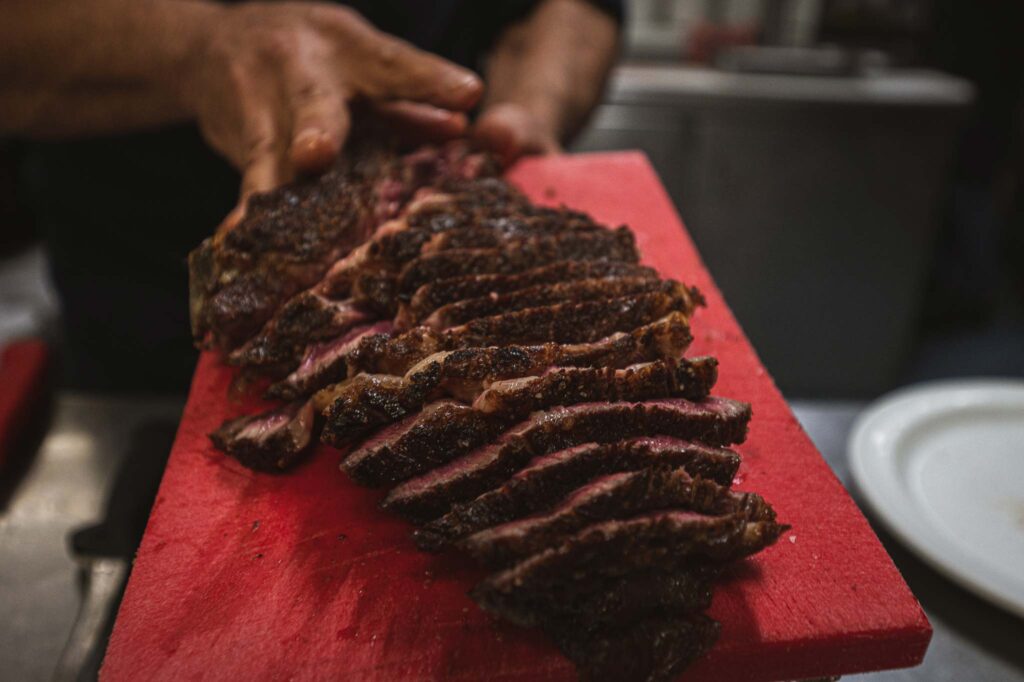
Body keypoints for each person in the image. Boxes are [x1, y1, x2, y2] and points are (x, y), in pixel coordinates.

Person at [0, 0, 621, 391]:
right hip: (141, 314)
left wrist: (530, 107)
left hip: (459, 229)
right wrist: (198, 49)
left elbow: (574, 8)